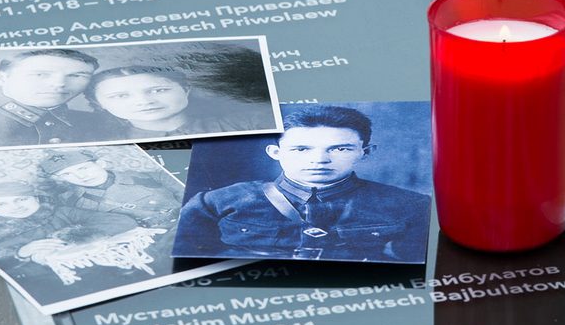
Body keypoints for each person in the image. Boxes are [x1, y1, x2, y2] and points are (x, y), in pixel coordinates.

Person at [174, 105, 430, 262]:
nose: (319, 160)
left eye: (340, 148)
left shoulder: (412, 207)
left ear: (365, 152)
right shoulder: (216, 202)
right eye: (301, 149)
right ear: (275, 153)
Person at [0, 48, 114, 151]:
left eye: (77, 76)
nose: (59, 84)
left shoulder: (102, 124)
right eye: (40, 74)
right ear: (0, 78)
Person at [0, 180, 137, 266]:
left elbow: (122, 221)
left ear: (36, 198)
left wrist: (72, 239)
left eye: (22, 199)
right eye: (1, 204)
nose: (15, 207)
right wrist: (21, 253)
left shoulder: (59, 212)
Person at [84, 66, 274, 139]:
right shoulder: (111, 143)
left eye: (158, 90)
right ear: (100, 104)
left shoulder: (249, 123)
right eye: (121, 96)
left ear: (186, 89)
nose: (144, 101)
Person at [40, 150, 179, 227]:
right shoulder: (70, 202)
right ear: (60, 179)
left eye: (84, 168)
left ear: (101, 163)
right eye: (67, 174)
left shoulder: (148, 175)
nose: (81, 176)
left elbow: (188, 192)